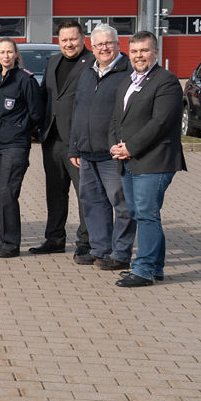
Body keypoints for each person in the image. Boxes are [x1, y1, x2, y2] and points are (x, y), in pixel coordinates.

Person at [110, 31, 186, 287]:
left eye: (144, 50)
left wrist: (130, 147)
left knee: (146, 214)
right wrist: (115, 145)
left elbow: (160, 122)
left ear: (155, 52)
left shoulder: (166, 81)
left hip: (155, 160)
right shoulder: (127, 81)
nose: (139, 56)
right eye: (134, 51)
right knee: (138, 212)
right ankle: (155, 266)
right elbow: (116, 118)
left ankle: (143, 270)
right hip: (128, 159)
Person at [68, 24, 134, 270]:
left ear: (118, 44)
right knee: (93, 204)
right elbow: (78, 110)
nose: (104, 48)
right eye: (99, 44)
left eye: (109, 43)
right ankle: (100, 250)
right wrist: (74, 147)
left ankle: (121, 253)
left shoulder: (128, 72)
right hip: (87, 152)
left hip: (113, 154)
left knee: (122, 204)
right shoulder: (87, 72)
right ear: (92, 47)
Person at [32, 18, 96, 258]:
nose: (69, 44)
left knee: (85, 195)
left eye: (73, 39)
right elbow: (44, 96)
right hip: (52, 139)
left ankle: (86, 243)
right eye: (64, 40)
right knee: (55, 192)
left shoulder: (93, 63)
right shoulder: (53, 62)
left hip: (79, 141)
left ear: (83, 39)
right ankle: (54, 239)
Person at [0, 39, 43, 258]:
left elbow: (36, 112)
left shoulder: (25, 80)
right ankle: (3, 240)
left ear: (16, 54)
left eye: (10, 52)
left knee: (9, 193)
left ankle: (11, 244)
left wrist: (22, 129)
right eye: (2, 52)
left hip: (15, 145)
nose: (6, 56)